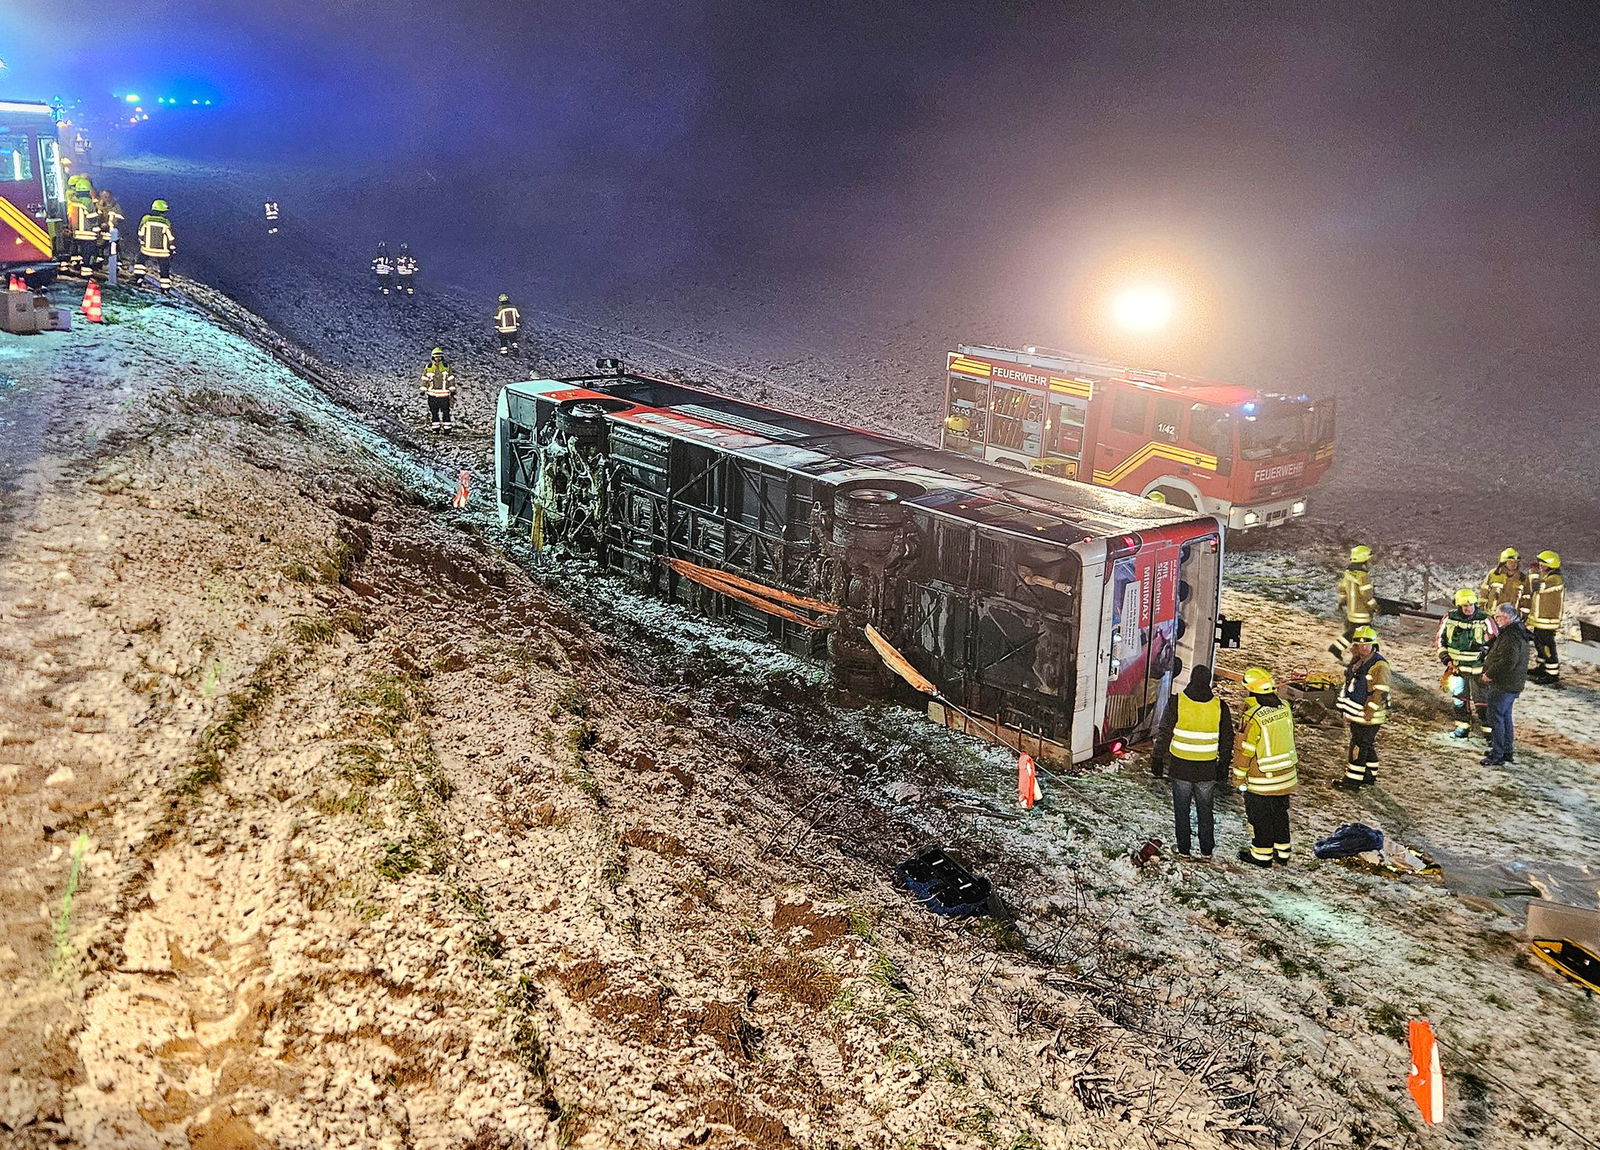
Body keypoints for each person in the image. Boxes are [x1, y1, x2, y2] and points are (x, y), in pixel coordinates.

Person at [1150, 664, 1234, 858]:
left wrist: (1157, 757)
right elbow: (1227, 739)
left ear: (1191, 679)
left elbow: (1164, 732)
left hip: (1181, 768)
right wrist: (1223, 766)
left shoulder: (1177, 702)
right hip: (1207, 769)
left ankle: (1184, 849)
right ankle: (1206, 851)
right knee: (1205, 811)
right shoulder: (1219, 706)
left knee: (1182, 810)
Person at [1232, 667, 1298, 867]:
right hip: (1286, 776)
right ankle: (1282, 852)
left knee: (1259, 817)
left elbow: (1245, 751)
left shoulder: (1252, 717)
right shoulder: (1284, 707)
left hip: (1261, 780)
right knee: (1279, 814)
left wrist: (1238, 779)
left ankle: (1261, 856)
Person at [1333, 625, 1390, 789]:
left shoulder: (1379, 666)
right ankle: (1369, 776)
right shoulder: (1358, 661)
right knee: (1366, 744)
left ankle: (1352, 781)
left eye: (1367, 644)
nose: (1364, 647)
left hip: (1369, 716)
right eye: (1360, 644)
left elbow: (1380, 692)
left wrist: (1369, 711)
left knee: (1358, 746)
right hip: (1358, 714)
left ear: (1374, 645)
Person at [1436, 588, 1496, 739]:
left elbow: (1497, 641)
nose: (1468, 609)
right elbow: (1440, 640)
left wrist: (1485, 650)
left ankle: (1490, 733)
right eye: (1464, 606)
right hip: (1457, 669)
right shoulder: (1449, 618)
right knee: (1459, 700)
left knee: (1483, 703)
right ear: (1459, 606)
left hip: (1478, 669)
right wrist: (1445, 658)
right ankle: (1462, 728)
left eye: (1470, 605)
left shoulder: (1485, 619)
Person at [1481, 602, 1529, 766]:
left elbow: (1508, 661)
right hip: (1512, 683)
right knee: (1505, 717)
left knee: (1496, 718)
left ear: (1507, 617)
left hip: (1504, 684)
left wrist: (1489, 673)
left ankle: (1498, 754)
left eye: (1498, 616)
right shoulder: (1516, 631)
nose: (1496, 619)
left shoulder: (1510, 635)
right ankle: (1506, 751)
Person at [1331, 545, 1377, 661]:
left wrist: (1342, 602)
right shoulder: (1364, 576)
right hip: (1362, 614)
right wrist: (1375, 606)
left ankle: (1354, 656)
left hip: (1351, 612)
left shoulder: (1348, 574)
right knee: (1363, 635)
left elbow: (1342, 589)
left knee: (1353, 634)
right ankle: (1337, 649)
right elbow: (1367, 595)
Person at [1527, 551, 1565, 686]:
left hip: (1548, 621)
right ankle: (1542, 668)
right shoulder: (1547, 576)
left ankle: (1552, 674)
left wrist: (1532, 573)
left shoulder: (1555, 579)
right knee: (1540, 644)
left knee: (1547, 646)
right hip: (1541, 620)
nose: (1540, 566)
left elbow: (1537, 587)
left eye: (1542, 564)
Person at [136, 199, 177, 293]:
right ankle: (165, 289)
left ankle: (138, 279)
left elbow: (140, 233)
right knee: (164, 269)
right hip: (162, 251)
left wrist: (142, 242)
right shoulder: (166, 222)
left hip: (147, 249)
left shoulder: (146, 219)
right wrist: (172, 249)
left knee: (140, 262)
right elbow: (171, 238)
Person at [66, 173, 100, 274]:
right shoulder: (88, 202)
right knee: (88, 252)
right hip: (88, 233)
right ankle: (86, 271)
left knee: (77, 249)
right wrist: (97, 229)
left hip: (77, 232)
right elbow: (92, 217)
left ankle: (76, 264)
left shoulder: (73, 201)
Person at [1479, 548, 1529, 617]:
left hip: (1511, 617)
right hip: (1493, 615)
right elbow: (1484, 593)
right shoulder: (1493, 574)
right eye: (1510, 562)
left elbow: (1526, 599)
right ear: (1504, 562)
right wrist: (1482, 610)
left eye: (1516, 562)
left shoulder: (1522, 578)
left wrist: (1523, 615)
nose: (1513, 564)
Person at [420, 348, 456, 431]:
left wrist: (452, 389)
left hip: (444, 394)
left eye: (439, 357)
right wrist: (423, 389)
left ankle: (447, 429)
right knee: (434, 412)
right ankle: (436, 429)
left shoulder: (446, 366)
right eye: (436, 357)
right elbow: (425, 379)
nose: (438, 359)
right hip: (432, 394)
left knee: (446, 412)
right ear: (433, 357)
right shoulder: (428, 367)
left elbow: (451, 379)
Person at [94, 188, 123, 274]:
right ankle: (98, 265)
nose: (106, 198)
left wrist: (110, 223)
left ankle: (116, 266)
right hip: (102, 233)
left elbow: (120, 218)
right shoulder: (99, 206)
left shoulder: (116, 206)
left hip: (112, 232)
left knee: (114, 249)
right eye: (104, 196)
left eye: (107, 196)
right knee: (99, 248)